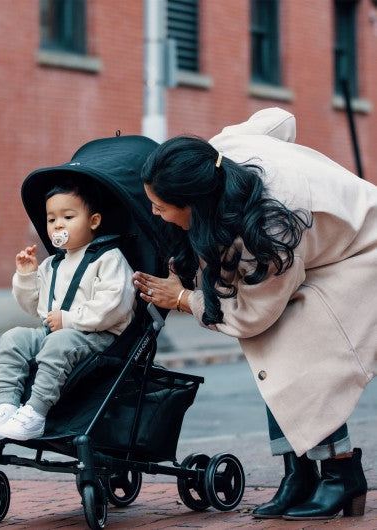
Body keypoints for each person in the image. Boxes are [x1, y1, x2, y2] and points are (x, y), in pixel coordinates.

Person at [132, 107, 376, 521]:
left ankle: (341, 473)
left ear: (195, 202)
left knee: (297, 349)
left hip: (362, 250)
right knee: (279, 351)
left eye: (160, 206)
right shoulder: (220, 155)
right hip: (322, 246)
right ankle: (298, 473)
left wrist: (183, 299)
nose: (154, 212)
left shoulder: (267, 228)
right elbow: (278, 119)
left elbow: (250, 317)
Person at [0, 178, 136, 443]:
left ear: (93, 221)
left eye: (68, 216)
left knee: (59, 341)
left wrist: (71, 319)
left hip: (98, 338)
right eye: (51, 220)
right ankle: (6, 406)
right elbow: (34, 306)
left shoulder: (108, 258)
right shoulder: (52, 264)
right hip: (54, 334)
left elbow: (115, 304)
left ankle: (36, 413)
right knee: (13, 338)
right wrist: (27, 276)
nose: (58, 225)